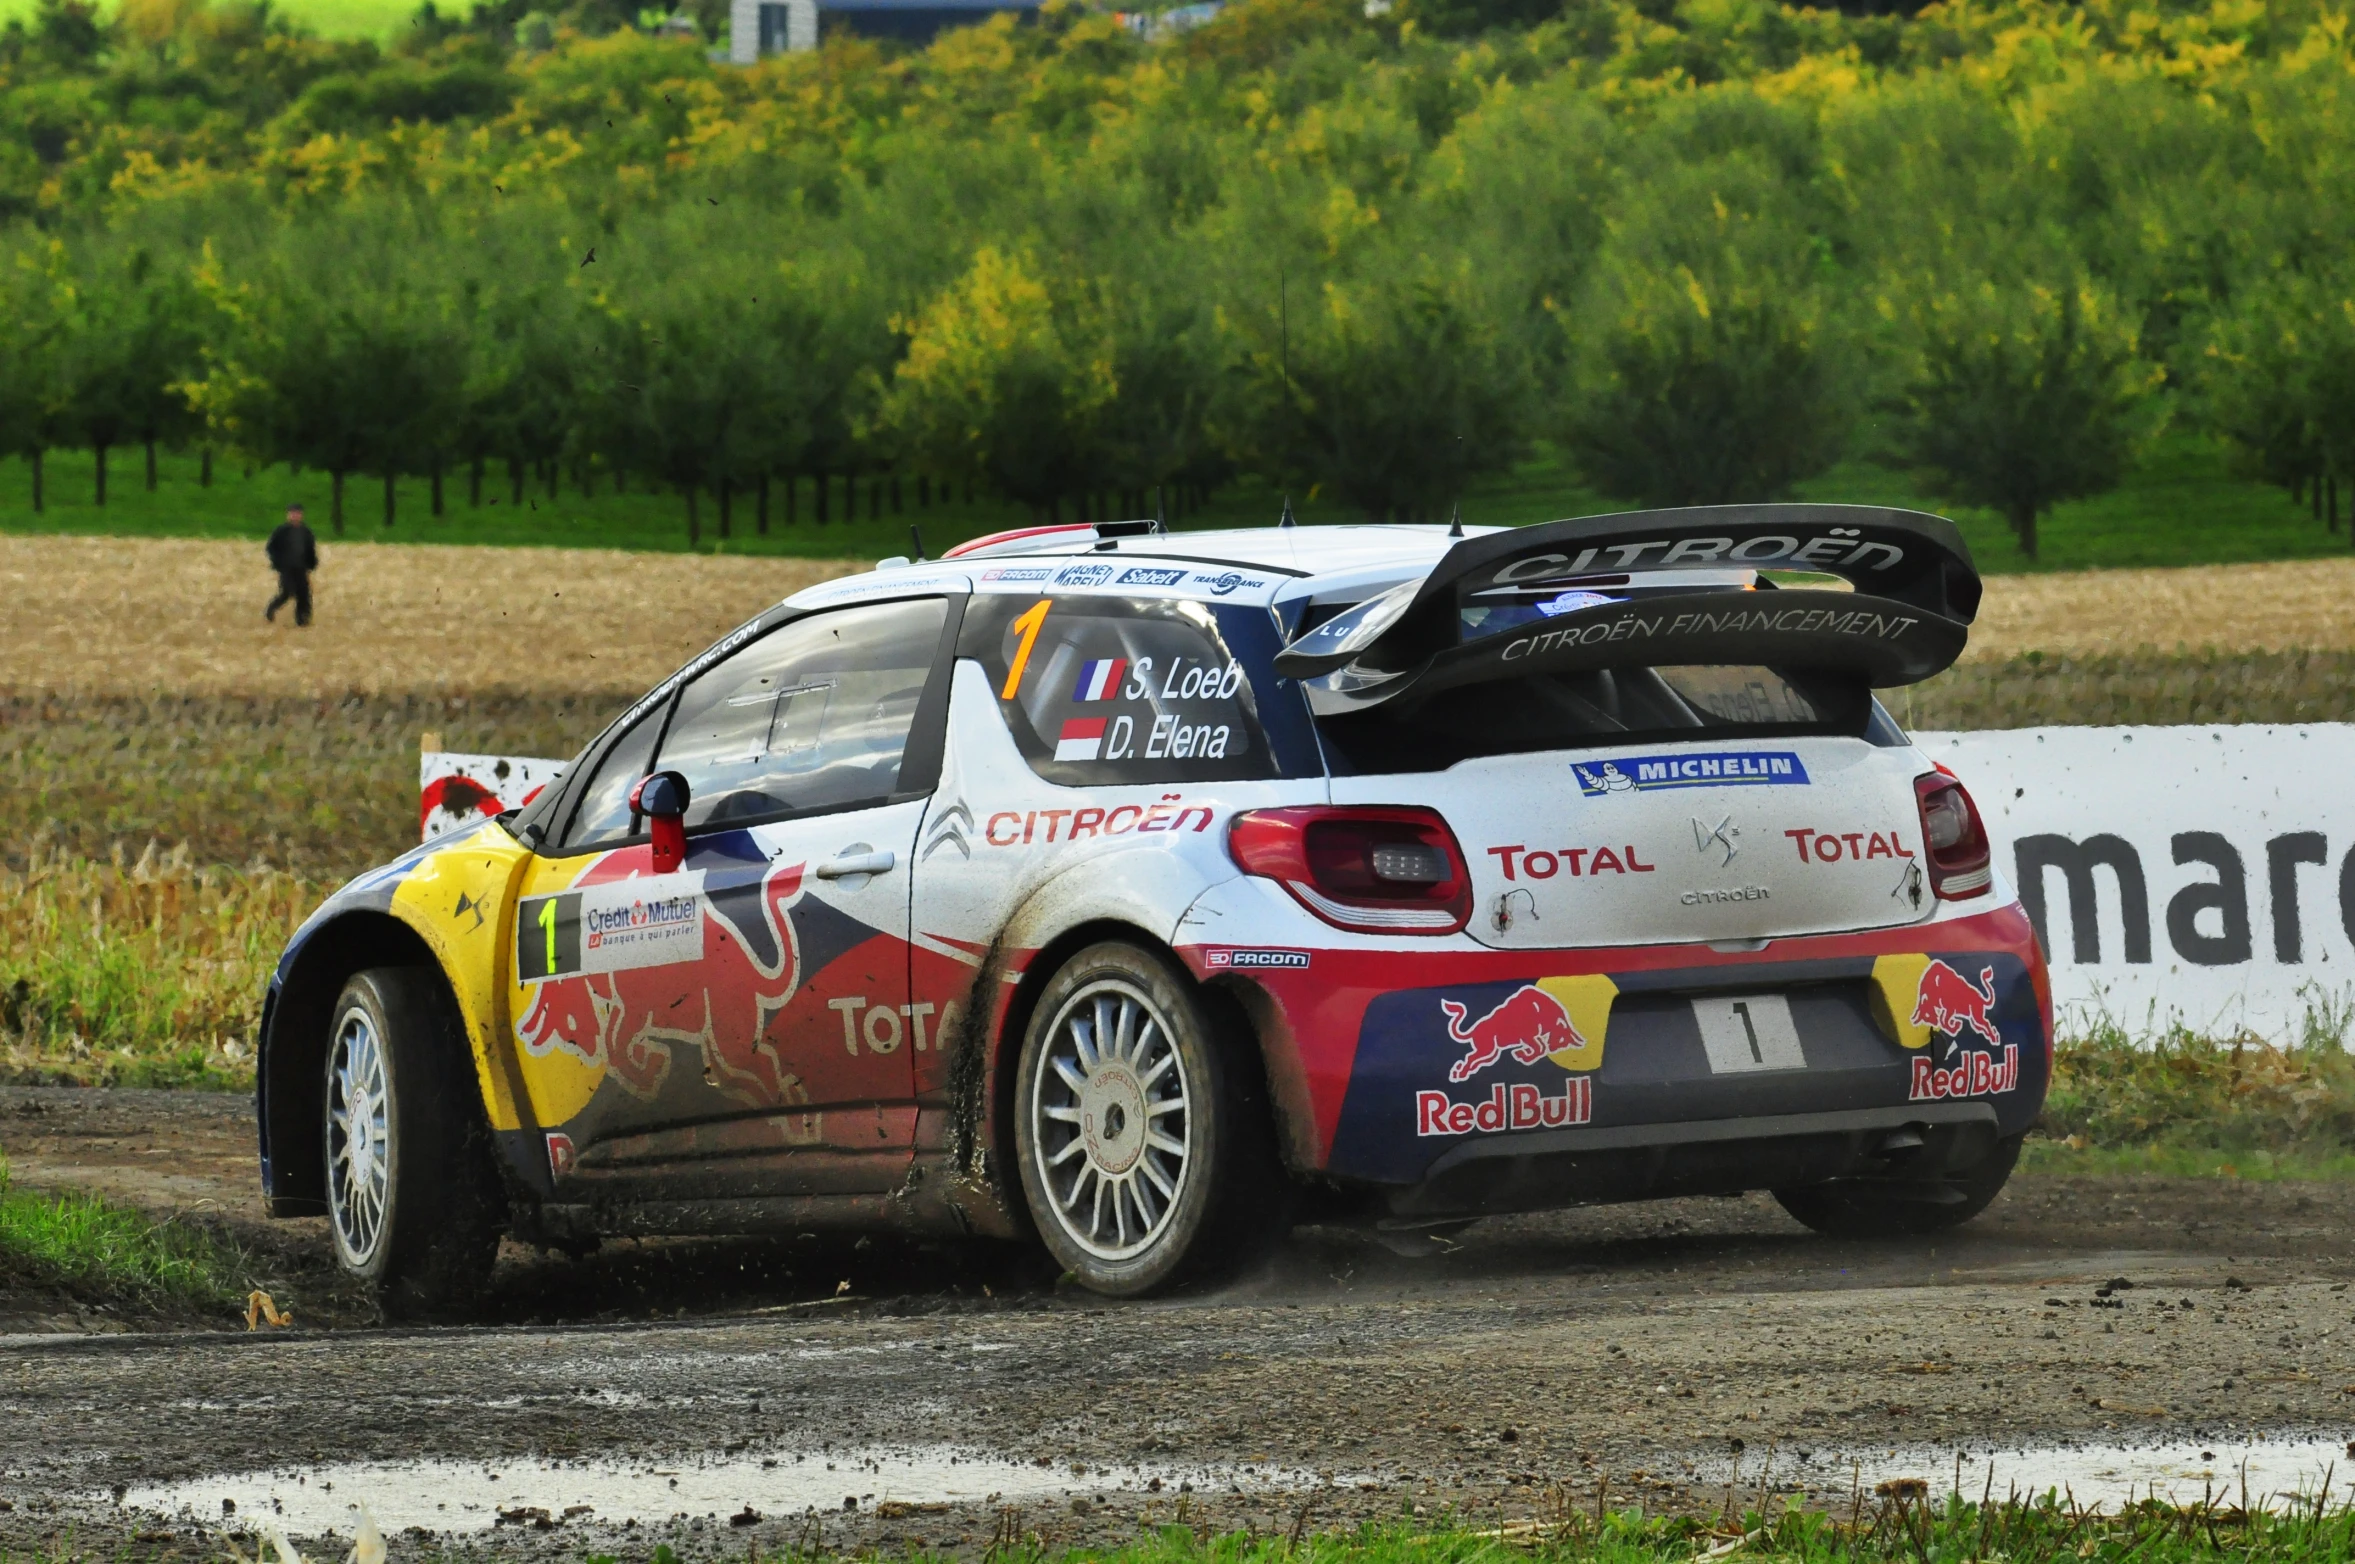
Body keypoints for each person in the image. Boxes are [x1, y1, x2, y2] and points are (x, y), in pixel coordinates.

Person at [264, 504, 318, 626]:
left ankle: (302, 620)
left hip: (301, 568)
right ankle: (271, 610)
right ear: (288, 515)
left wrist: (312, 563)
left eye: (298, 513)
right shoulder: (281, 531)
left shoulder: (306, 532)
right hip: (286, 568)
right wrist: (278, 562)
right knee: (287, 592)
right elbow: (271, 548)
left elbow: (310, 549)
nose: (295, 516)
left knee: (304, 594)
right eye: (292, 513)